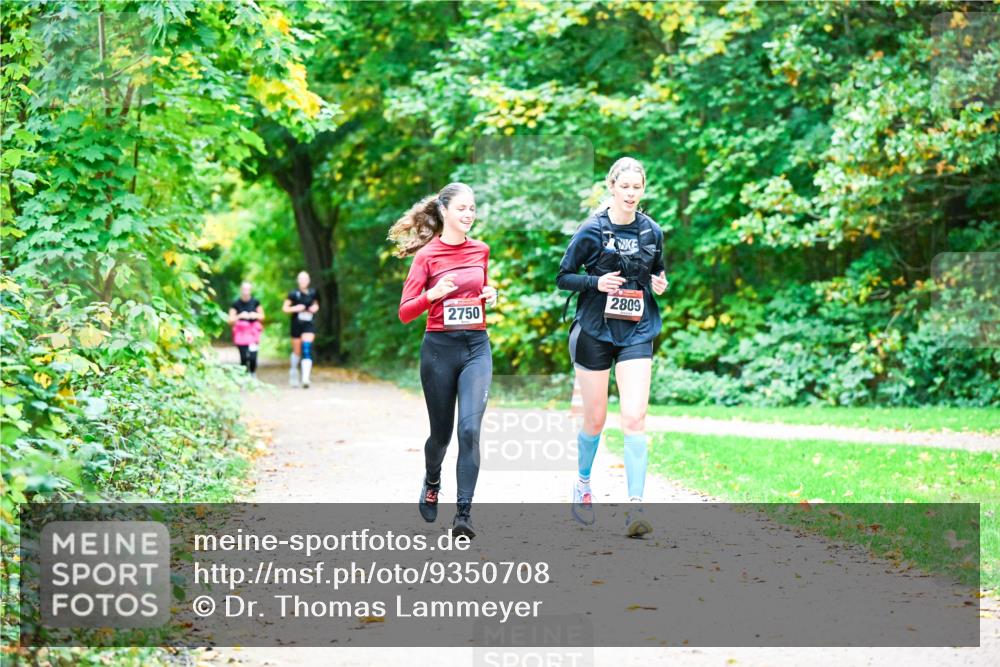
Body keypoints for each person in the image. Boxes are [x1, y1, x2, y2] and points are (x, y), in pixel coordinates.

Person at [556, 157, 669, 537]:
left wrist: (659, 283)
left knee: (635, 418)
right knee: (596, 419)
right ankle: (584, 484)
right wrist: (595, 283)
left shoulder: (652, 231)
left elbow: (658, 270)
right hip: (594, 331)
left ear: (644, 189)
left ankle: (635, 507)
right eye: (625, 187)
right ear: (612, 187)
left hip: (636, 330)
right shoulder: (591, 229)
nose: (632, 193)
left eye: (638, 187)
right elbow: (563, 277)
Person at [390, 182, 497, 539]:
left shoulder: (481, 250)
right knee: (442, 435)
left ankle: (463, 514)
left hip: (476, 347)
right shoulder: (427, 256)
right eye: (463, 208)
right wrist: (432, 295)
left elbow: (478, 289)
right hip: (438, 350)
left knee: (470, 431)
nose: (469, 214)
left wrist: (489, 293)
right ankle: (432, 479)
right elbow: (405, 312)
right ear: (445, 211)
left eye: (473, 208)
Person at [281, 271, 319, 388]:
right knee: (297, 351)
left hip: (308, 324)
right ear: (298, 281)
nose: (303, 281)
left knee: (306, 348)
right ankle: (293, 371)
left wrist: (314, 308)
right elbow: (285, 308)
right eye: (301, 279)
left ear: (308, 281)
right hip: (296, 324)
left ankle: (305, 378)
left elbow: (316, 305)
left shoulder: (313, 293)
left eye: (305, 279)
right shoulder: (293, 294)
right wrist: (296, 308)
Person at [229, 281, 264, 377]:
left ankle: (252, 373)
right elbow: (230, 320)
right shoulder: (235, 304)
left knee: (253, 356)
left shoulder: (255, 302)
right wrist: (239, 316)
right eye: (244, 289)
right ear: (241, 290)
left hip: (253, 333)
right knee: (244, 357)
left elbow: (262, 316)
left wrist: (255, 315)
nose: (246, 291)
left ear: (250, 290)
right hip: (241, 334)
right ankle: (244, 376)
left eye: (248, 289)